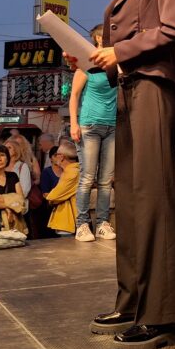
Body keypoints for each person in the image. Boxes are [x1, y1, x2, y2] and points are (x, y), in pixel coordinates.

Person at [85, 0, 175, 349]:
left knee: (154, 200)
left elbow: (171, 28)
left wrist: (119, 51)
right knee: (128, 199)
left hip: (152, 91)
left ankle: (162, 316)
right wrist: (100, 58)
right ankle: (132, 302)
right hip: (128, 91)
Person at [69, 25, 118, 242]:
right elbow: (74, 96)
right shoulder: (86, 65)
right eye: (106, 35)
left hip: (112, 125)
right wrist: (73, 124)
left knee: (106, 180)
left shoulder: (116, 65)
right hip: (89, 124)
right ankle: (82, 225)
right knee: (88, 178)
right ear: (97, 38)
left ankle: (103, 223)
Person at [46, 142, 82, 234]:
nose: (55, 157)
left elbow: (52, 196)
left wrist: (52, 198)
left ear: (61, 157)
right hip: (68, 221)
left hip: (69, 222)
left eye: (56, 154)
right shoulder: (71, 171)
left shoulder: (71, 172)